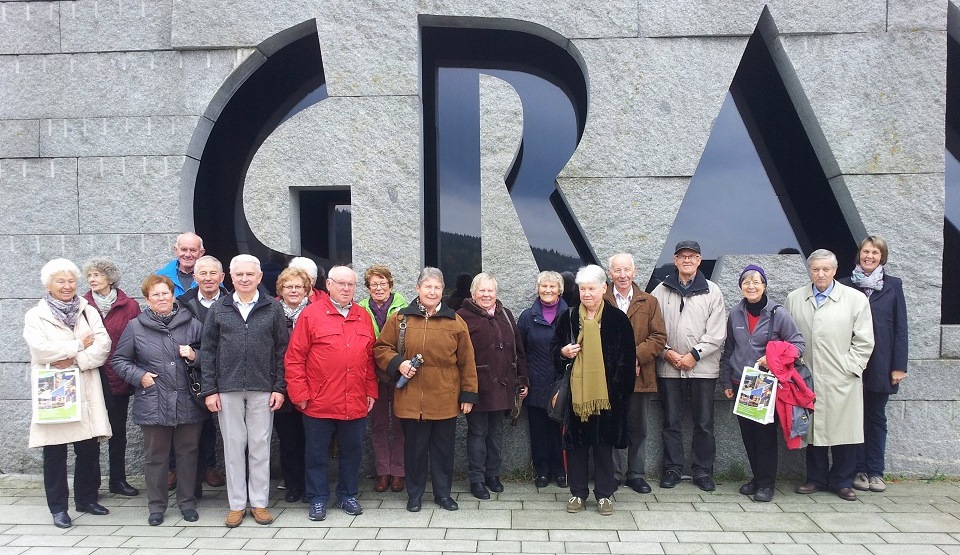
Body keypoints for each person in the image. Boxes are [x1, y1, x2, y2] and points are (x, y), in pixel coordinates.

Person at [374, 267, 479, 513]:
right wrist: (399, 364)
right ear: (418, 289)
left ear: (443, 291)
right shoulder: (401, 319)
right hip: (412, 400)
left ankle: (443, 495)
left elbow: (467, 361)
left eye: (437, 287)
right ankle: (415, 495)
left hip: (445, 399)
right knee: (415, 452)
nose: (432, 291)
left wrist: (468, 394)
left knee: (443, 453)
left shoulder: (456, 321)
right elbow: (381, 348)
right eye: (428, 287)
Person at [200, 254, 289, 527]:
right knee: (233, 447)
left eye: (250, 274)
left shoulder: (273, 309)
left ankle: (260, 503)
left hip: (263, 388)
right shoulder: (219, 308)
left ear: (260, 277)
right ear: (231, 277)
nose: (245, 279)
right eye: (239, 274)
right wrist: (210, 390)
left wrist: (279, 387)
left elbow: (282, 350)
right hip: (227, 389)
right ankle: (237, 504)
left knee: (260, 447)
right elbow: (208, 350)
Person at [23, 258, 112, 529]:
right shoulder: (36, 315)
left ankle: (86, 498)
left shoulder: (87, 311)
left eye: (71, 280)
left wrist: (73, 358)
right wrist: (76, 346)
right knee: (55, 452)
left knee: (88, 448)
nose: (67, 286)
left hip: (84, 383)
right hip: (55, 388)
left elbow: (103, 344)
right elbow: (40, 349)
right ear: (48, 285)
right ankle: (58, 508)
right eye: (60, 281)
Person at [112, 275, 206, 526]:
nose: (162, 298)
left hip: (188, 399)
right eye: (156, 295)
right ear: (147, 299)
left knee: (188, 454)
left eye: (165, 293)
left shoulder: (192, 324)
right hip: (153, 400)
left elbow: (211, 356)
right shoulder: (135, 327)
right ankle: (157, 506)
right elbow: (119, 360)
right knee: (156, 456)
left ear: (173, 295)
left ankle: (187, 503)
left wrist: (194, 355)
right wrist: (140, 376)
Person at [285, 266, 378, 521]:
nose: (346, 289)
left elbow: (369, 358)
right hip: (318, 400)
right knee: (315, 454)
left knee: (352, 451)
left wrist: (371, 389)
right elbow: (294, 358)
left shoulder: (362, 315)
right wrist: (299, 393)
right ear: (328, 285)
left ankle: (348, 494)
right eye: (341, 284)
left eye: (351, 285)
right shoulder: (311, 315)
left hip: (355, 399)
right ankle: (317, 498)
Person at [785, 249, 875, 501]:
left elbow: (865, 341)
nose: (821, 274)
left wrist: (851, 366)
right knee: (813, 431)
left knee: (844, 430)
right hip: (808, 375)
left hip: (842, 376)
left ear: (835, 271)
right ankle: (815, 478)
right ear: (809, 271)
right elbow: (787, 334)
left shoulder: (854, 299)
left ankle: (842, 481)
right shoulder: (795, 298)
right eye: (816, 269)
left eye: (826, 269)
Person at [552, 265, 636, 516]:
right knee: (576, 446)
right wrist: (563, 352)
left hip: (606, 398)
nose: (587, 294)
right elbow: (554, 350)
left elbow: (626, 359)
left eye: (591, 288)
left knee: (603, 447)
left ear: (603, 289)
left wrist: (617, 394)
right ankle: (577, 493)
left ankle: (604, 495)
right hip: (576, 396)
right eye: (582, 289)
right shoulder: (568, 317)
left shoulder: (617, 319)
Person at [720, 265, 805, 502]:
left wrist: (772, 358)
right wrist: (726, 380)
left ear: (764, 285)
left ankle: (767, 484)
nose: (751, 286)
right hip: (741, 383)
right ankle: (757, 478)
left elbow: (798, 345)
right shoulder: (735, 313)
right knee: (748, 434)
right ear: (740, 287)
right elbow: (729, 350)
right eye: (746, 282)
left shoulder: (778, 314)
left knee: (765, 435)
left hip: (766, 385)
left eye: (756, 282)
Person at [651, 240, 726, 492]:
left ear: (699, 260)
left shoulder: (712, 291)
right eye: (682, 256)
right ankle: (672, 468)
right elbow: (652, 329)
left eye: (692, 256)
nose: (687, 260)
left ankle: (703, 471)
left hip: (703, 369)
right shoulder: (660, 291)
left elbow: (717, 333)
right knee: (671, 421)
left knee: (703, 423)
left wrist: (694, 354)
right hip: (669, 367)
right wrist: (667, 353)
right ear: (674, 260)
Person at [839, 236, 906, 494]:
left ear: (882, 256)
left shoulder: (893, 286)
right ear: (859, 255)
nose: (869, 256)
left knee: (876, 417)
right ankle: (857, 470)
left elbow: (901, 328)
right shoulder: (844, 285)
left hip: (881, 363)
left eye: (875, 253)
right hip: (852, 363)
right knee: (853, 417)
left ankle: (876, 471)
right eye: (866, 251)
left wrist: (898, 366)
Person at [457, 272, 529, 500]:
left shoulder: (505, 315)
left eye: (490, 290)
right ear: (473, 293)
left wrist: (522, 379)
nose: (486, 294)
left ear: (496, 293)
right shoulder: (462, 317)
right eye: (482, 290)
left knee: (495, 433)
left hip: (503, 386)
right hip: (477, 387)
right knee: (478, 432)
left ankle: (493, 474)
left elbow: (519, 350)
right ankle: (476, 479)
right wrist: (464, 390)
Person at [603, 253, 667, 495]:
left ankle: (636, 474)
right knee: (610, 424)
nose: (622, 275)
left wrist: (634, 357)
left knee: (638, 428)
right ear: (610, 273)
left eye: (626, 270)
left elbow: (659, 336)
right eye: (617, 270)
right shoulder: (602, 299)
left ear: (634, 271)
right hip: (609, 376)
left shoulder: (648, 302)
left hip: (641, 376)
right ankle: (613, 474)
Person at [82, 258, 141, 497]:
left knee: (117, 433)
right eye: (90, 276)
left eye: (97, 275)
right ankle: (92, 484)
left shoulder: (129, 306)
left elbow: (137, 341)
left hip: (119, 376)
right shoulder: (81, 305)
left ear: (110, 277)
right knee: (92, 433)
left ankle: (118, 480)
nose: (92, 279)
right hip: (91, 375)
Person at [175, 255, 228, 495]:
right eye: (203, 274)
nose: (208, 278)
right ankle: (193, 479)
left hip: (228, 370)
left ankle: (211, 466)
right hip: (193, 372)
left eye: (213, 273)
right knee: (197, 424)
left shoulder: (232, 300)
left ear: (222, 277)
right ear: (194, 278)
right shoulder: (182, 302)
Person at [358, 264, 409, 493]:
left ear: (390, 284)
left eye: (383, 283)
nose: (379, 288)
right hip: (372, 374)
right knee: (378, 425)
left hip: (398, 373)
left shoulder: (404, 307)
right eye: (374, 284)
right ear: (368, 287)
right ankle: (383, 472)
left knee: (399, 425)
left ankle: (398, 472)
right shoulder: (359, 309)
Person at [517, 271, 569, 488]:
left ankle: (561, 471)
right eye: (544, 286)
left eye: (552, 286)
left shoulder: (570, 315)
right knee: (538, 431)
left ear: (560, 290)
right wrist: (522, 381)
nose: (548, 290)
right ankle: (542, 472)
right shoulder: (527, 317)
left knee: (559, 430)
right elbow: (519, 352)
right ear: (538, 289)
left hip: (560, 382)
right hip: (536, 381)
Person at [272, 266, 312, 503]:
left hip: (311, 386)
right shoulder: (272, 312)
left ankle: (310, 485)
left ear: (306, 289)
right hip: (281, 385)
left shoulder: (316, 312)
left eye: (298, 286)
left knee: (311, 440)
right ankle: (293, 484)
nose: (294, 290)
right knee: (288, 440)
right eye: (289, 287)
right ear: (281, 290)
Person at [156, 232, 204, 296]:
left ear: (201, 253)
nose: (187, 255)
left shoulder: (212, 278)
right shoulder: (161, 277)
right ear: (176, 251)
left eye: (193, 250)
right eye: (184, 249)